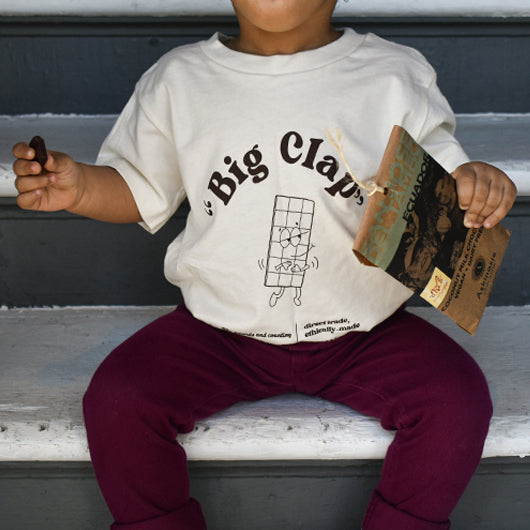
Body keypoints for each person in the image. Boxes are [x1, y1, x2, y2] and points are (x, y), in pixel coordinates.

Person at [12, 1, 517, 528]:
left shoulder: (393, 73)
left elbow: (451, 184)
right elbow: (138, 189)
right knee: (117, 402)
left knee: (458, 401)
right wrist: (79, 188)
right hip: (217, 330)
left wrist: (478, 182)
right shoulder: (180, 79)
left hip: (365, 329)